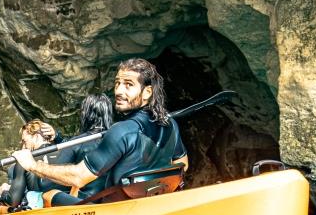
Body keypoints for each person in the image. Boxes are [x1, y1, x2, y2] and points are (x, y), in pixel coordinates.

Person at [13, 59, 187, 203]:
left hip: (112, 210)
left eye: (128, 85)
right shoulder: (170, 124)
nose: (118, 91)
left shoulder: (121, 131)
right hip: (151, 204)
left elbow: (78, 177)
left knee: (49, 195)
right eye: (117, 83)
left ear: (147, 92)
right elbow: (182, 164)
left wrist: (33, 165)